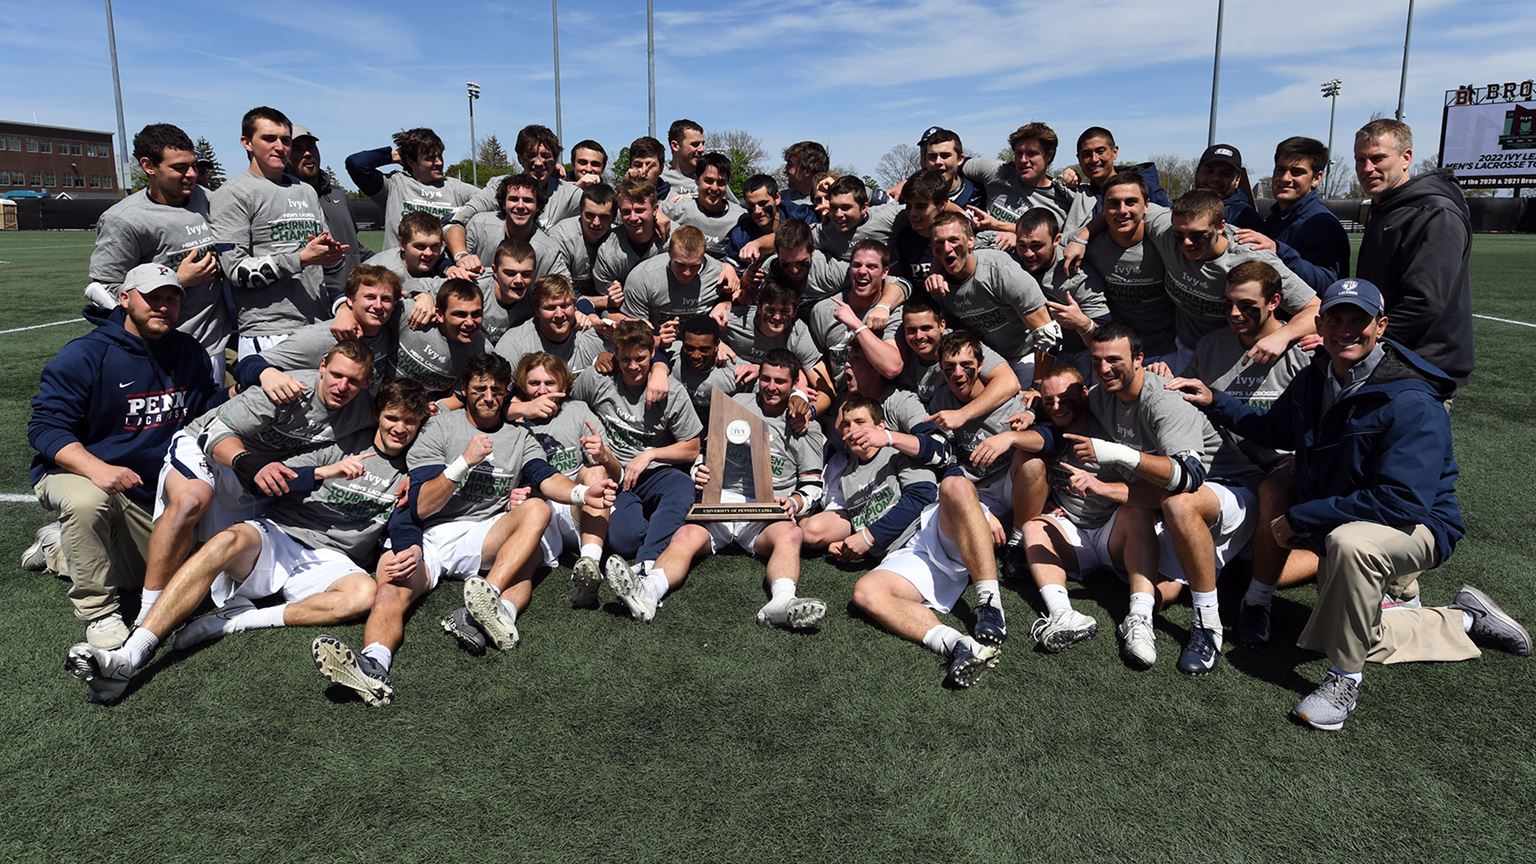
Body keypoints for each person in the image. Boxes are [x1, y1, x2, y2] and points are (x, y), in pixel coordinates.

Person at [1165, 278, 1529, 729]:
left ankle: (1344, 682)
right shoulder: (1319, 374)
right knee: (1341, 632)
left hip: (1420, 526)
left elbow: (1401, 503)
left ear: (1381, 326)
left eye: (1358, 320)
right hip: (1353, 511)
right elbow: (1279, 429)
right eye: (1335, 319)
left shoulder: (1411, 399)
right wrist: (1216, 402)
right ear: (1319, 323)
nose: (1345, 330)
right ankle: (1464, 621)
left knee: (1351, 544)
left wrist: (1299, 518)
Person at [65, 381, 432, 705]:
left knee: (363, 595)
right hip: (282, 536)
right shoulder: (342, 444)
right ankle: (130, 656)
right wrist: (323, 472)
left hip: (334, 558)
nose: (399, 429)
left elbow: (405, 520)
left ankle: (238, 621)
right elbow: (275, 481)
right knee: (227, 541)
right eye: (392, 418)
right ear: (378, 415)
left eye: (409, 423)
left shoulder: (415, 470)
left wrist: (410, 546)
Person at [30, 263, 220, 649]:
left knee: (154, 575)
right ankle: (99, 613)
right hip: (79, 470)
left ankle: (57, 547)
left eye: (171, 299)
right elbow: (44, 429)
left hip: (149, 490)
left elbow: (207, 410)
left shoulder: (188, 351)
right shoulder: (86, 354)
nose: (163, 307)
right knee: (87, 502)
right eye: (152, 298)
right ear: (124, 299)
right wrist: (97, 469)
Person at [140, 341, 377, 630]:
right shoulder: (289, 391)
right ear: (323, 366)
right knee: (192, 499)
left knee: (225, 547)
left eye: (353, 381)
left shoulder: (363, 409)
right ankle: (147, 609)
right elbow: (215, 431)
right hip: (211, 448)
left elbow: (401, 416)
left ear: (366, 383)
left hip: (255, 470)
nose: (342, 386)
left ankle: (213, 605)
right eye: (337, 375)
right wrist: (252, 466)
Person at [409, 352, 618, 656]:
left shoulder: (521, 436)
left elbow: (546, 477)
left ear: (506, 393)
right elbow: (422, 506)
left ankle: (499, 610)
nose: (489, 397)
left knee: (532, 536)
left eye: (496, 390)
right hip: (437, 534)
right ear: (465, 389)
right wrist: (463, 463)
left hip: (486, 535)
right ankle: (473, 608)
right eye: (480, 389)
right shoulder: (440, 427)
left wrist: (583, 494)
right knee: (390, 594)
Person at [1075, 323, 1252, 674]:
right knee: (1160, 577)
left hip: (1228, 490)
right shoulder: (1101, 395)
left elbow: (1189, 478)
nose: (1105, 369)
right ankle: (1139, 615)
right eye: (1097, 362)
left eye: (1114, 360)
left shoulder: (1163, 399)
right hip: (1168, 503)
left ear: (1139, 359)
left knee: (1177, 502)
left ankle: (1207, 626)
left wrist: (1117, 453)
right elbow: (1066, 409)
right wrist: (1033, 411)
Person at [613, 350, 827, 629]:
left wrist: (795, 503)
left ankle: (781, 603)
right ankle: (648, 592)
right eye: (765, 379)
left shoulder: (805, 426)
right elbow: (706, 453)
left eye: (780, 381)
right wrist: (697, 472)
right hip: (721, 500)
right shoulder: (737, 404)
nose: (771, 387)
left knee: (791, 533)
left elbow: (812, 485)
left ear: (795, 383)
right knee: (685, 535)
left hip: (765, 510)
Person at [561, 320, 703, 617]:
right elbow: (567, 402)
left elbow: (692, 447)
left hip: (653, 471)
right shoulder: (599, 378)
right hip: (614, 472)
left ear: (653, 354)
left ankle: (647, 564)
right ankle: (651, 536)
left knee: (681, 487)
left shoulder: (670, 390)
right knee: (623, 540)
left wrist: (651, 454)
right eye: (625, 359)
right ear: (615, 355)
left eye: (640, 358)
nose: (633, 366)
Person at [86, 123, 229, 379]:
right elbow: (105, 292)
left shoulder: (208, 200)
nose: (191, 174)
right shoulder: (124, 219)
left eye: (193, 165)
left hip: (213, 345)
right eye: (179, 167)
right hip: (160, 351)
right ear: (149, 166)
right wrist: (177, 281)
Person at [210, 105, 348, 359]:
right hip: (269, 331)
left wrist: (330, 254)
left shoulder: (305, 190)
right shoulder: (233, 194)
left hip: (317, 322)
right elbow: (236, 271)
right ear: (246, 143)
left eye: (285, 140)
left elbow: (319, 256)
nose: (279, 147)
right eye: (268, 138)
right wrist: (301, 259)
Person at [1353, 118, 1474, 384]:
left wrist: (1366, 343)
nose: (1367, 168)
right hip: (1390, 357)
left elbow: (1424, 301)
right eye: (1360, 160)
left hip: (1421, 365)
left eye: (1378, 158)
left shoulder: (1435, 212)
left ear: (1406, 158)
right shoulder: (1386, 207)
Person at [512, 352, 624, 608]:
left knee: (595, 471)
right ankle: (505, 605)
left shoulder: (577, 410)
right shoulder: (513, 419)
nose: (542, 390)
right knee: (522, 568)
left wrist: (604, 456)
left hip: (579, 509)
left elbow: (616, 475)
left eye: (550, 383)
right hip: (537, 511)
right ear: (522, 385)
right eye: (534, 383)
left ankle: (589, 564)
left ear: (562, 385)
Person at [1154, 190, 1319, 360]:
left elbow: (1315, 309)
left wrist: (1283, 336)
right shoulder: (1165, 231)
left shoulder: (1253, 259)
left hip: (1238, 358)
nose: (1187, 243)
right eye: (1179, 236)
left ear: (1220, 227)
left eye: (1197, 235)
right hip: (1184, 350)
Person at [924, 212, 1059, 385]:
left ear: (970, 241)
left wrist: (1037, 386)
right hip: (986, 360)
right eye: (939, 243)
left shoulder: (999, 270)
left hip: (1027, 355)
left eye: (953, 240)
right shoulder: (939, 286)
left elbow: (1048, 333)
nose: (947, 248)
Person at [801, 395, 939, 562]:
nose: (852, 429)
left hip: (923, 541)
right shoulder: (845, 477)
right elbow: (864, 523)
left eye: (860, 422)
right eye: (846, 424)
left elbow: (922, 497)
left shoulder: (898, 452)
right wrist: (847, 546)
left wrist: (868, 537)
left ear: (880, 426)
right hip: (891, 557)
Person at [233, 264, 402, 396]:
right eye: (370, 297)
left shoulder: (388, 330)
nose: (378, 305)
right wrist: (267, 374)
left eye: (386, 299)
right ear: (350, 300)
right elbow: (246, 365)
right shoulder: (322, 337)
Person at [1078, 172, 1182, 367]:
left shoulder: (1164, 241)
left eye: (1131, 202)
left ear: (1147, 206)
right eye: (1114, 203)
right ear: (1103, 208)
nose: (1122, 210)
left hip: (1168, 350)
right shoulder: (1092, 248)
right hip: (1119, 352)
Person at [1232, 136, 1349, 292]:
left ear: (1316, 178)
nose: (1285, 178)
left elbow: (1328, 285)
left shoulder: (1322, 224)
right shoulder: (1277, 217)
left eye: (1297, 172)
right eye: (1280, 169)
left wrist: (1279, 250)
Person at [344, 127, 478, 250]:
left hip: (445, 271)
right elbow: (356, 163)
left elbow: (492, 198)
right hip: (398, 273)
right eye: (430, 158)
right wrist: (395, 156)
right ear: (411, 162)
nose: (439, 162)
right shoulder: (394, 185)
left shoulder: (456, 188)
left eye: (440, 156)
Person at [290, 124, 369, 300]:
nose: (308, 154)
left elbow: (353, 245)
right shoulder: (281, 198)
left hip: (352, 297)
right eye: (298, 148)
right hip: (311, 301)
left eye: (311, 147)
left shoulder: (338, 194)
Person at [958, 122, 1081, 234]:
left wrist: (1001, 227)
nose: (1023, 160)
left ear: (1048, 156)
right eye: (1018, 153)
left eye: (1031, 153)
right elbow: (953, 165)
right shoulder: (997, 172)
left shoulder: (1064, 201)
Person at [391, 278, 486, 397]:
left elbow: (460, 396)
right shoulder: (414, 314)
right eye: (460, 314)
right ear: (440, 315)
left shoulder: (481, 351)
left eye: (476, 314)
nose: (470, 322)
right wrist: (422, 295)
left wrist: (438, 408)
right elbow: (398, 284)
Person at [494, 276, 605, 376]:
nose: (559, 315)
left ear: (574, 306)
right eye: (550, 308)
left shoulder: (593, 336)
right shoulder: (514, 344)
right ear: (537, 311)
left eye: (565, 306)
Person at [661, 151, 745, 260]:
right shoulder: (679, 208)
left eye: (721, 183)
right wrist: (657, 214)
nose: (714, 188)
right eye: (708, 181)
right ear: (696, 180)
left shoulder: (740, 218)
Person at [547, 182, 616, 302]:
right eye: (589, 215)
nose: (596, 223)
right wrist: (604, 302)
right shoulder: (561, 238)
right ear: (580, 212)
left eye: (604, 217)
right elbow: (559, 291)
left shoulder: (618, 238)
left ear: (613, 217)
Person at [1194, 144, 1262, 231]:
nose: (1215, 179)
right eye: (1209, 171)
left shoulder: (1245, 217)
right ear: (1197, 172)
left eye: (1225, 174)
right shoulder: (1180, 207)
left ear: (1237, 179)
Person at [781, 140, 830, 207]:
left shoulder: (830, 203)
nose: (785, 170)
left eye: (790, 165)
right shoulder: (781, 199)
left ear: (807, 171)